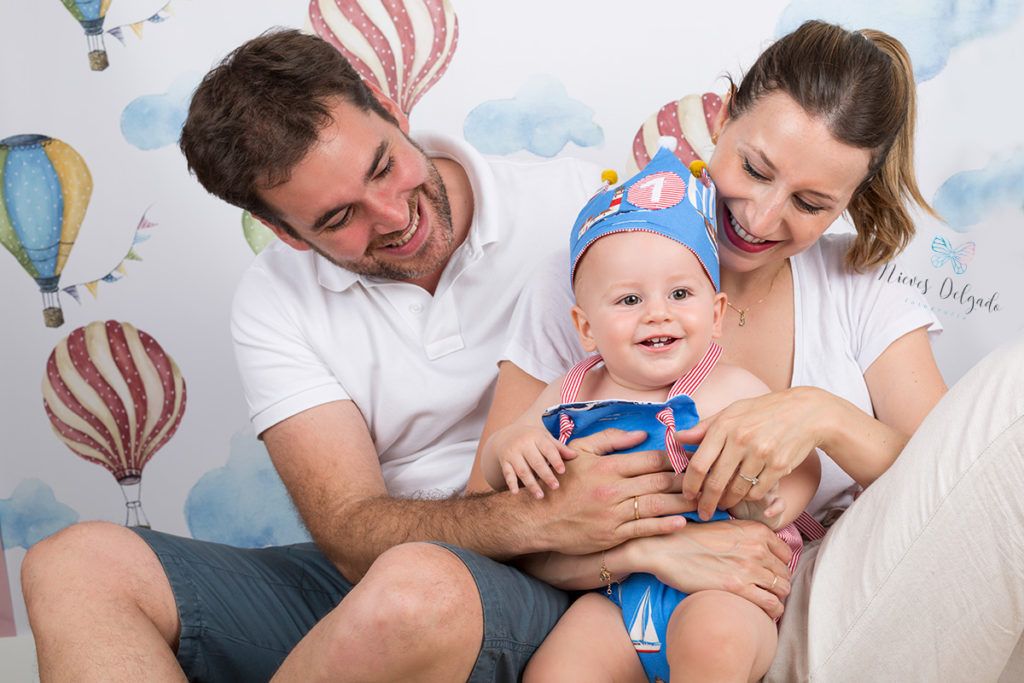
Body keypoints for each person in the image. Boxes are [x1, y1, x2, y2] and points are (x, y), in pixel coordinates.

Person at [19, 30, 705, 682]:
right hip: (391, 573)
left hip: (550, 581)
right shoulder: (274, 298)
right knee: (72, 566)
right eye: (338, 218)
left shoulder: (574, 207)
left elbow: (706, 371)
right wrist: (529, 515)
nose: (393, 215)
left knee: (417, 586)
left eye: (384, 165)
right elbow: (348, 530)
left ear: (388, 106)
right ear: (283, 234)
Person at [479, 19, 1024, 681]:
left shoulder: (858, 291)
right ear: (727, 112)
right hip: (610, 591)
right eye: (755, 168)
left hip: (788, 604)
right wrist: (647, 550)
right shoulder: (600, 270)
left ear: (851, 199)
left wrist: (822, 417)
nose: (762, 218)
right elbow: (490, 503)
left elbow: (956, 483)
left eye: (812, 202)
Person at [476, 148, 820, 682]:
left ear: (717, 314)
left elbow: (802, 462)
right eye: (628, 299)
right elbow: (503, 459)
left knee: (714, 644)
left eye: (680, 293)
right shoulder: (571, 393)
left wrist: (775, 505)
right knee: (556, 672)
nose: (657, 311)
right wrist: (511, 447)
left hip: (720, 583)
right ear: (585, 327)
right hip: (612, 593)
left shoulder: (730, 388)